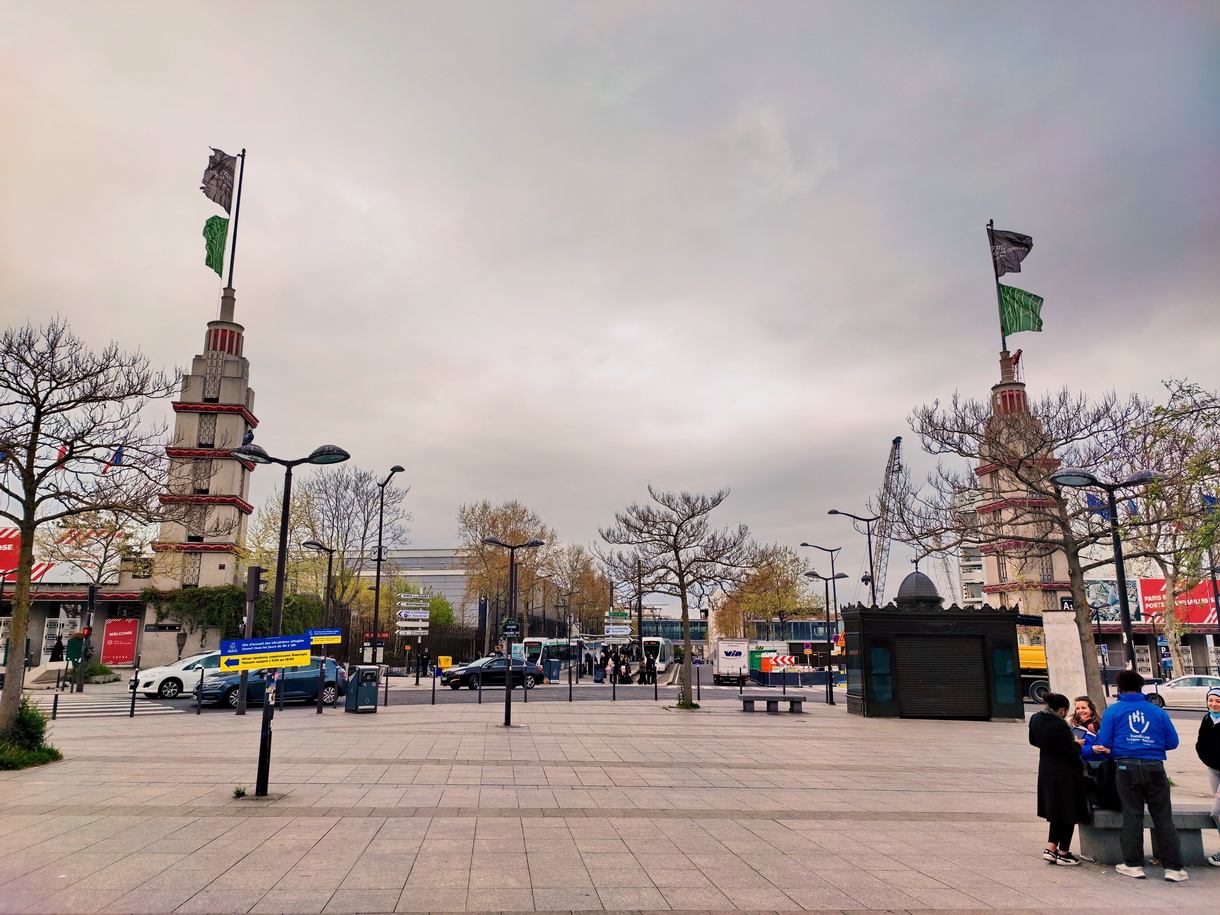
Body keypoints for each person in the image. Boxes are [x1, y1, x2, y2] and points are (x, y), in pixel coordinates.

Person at [1093, 669, 1187, 881]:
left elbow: (1105, 742)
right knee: (1163, 817)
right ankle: (1174, 868)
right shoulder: (1157, 711)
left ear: (1119, 688)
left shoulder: (1113, 711)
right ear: (1141, 687)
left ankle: (1133, 864)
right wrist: (1150, 746)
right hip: (1154, 766)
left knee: (1132, 815)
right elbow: (1172, 742)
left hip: (1126, 767)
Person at [1028, 692, 1088, 866]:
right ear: (1062, 710)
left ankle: (1051, 848)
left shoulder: (1035, 718)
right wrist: (1077, 743)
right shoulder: (1060, 725)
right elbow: (1071, 752)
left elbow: (1033, 740)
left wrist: (1049, 747)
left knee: (1056, 810)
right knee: (1069, 811)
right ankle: (1064, 853)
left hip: (1047, 769)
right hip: (1066, 773)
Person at [1196, 686, 1220, 866]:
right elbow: (1201, 741)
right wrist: (1204, 756)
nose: (1213, 704)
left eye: (1218, 701)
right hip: (1213, 769)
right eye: (1210, 700)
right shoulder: (1207, 718)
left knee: (1217, 812)